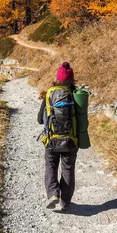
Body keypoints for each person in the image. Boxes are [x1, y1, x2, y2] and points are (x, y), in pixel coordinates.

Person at [37, 62, 78, 211]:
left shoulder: (50, 93)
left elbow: (40, 119)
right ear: (72, 80)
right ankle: (65, 203)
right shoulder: (75, 94)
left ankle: (53, 194)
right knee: (68, 169)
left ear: (57, 78)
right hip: (71, 141)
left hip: (52, 140)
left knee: (51, 165)